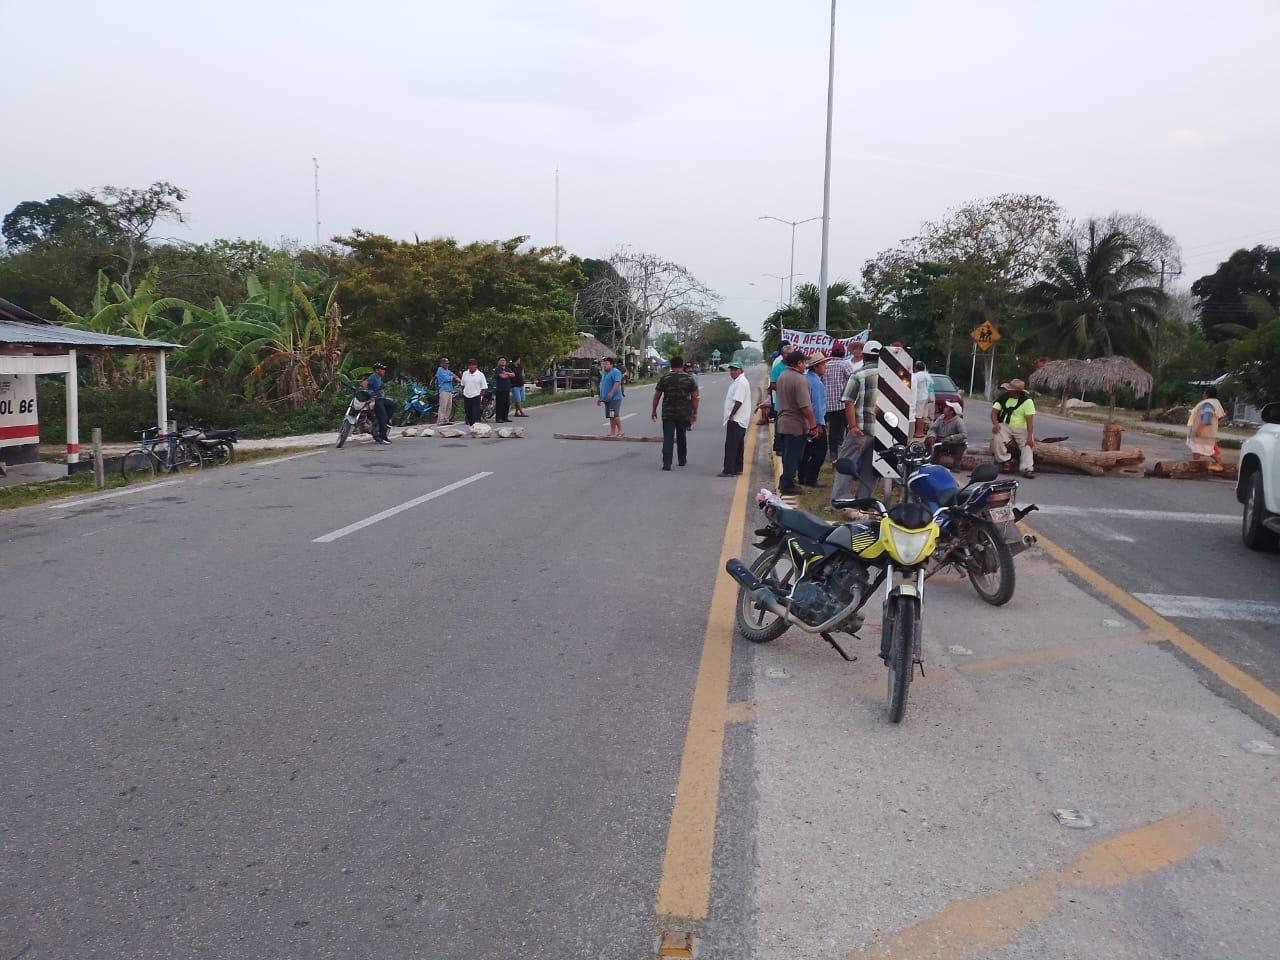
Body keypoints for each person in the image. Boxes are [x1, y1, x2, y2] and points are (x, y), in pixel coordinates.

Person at [831, 340, 882, 504]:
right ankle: (864, 501)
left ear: (864, 356)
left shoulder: (858, 375)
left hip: (860, 430)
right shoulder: (890, 378)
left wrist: (852, 426)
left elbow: (848, 401)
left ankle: (839, 501)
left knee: (846, 464)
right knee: (870, 469)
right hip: (881, 432)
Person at [775, 350, 817, 495]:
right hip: (796, 424)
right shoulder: (799, 380)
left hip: (784, 422)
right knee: (794, 456)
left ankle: (786, 481)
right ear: (799, 363)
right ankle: (788, 484)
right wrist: (813, 425)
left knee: (788, 455)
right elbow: (805, 407)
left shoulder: (783, 376)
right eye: (804, 362)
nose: (805, 365)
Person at [651, 356, 699, 471]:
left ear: (671, 366)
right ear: (682, 365)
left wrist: (653, 410)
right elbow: (695, 397)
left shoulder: (665, 378)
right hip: (683, 413)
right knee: (682, 436)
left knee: (668, 437)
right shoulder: (689, 378)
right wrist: (694, 412)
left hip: (668, 413)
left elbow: (657, 396)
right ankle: (682, 460)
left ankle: (667, 464)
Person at [991, 378, 1036, 478]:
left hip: (1021, 428)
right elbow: (994, 412)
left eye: (1010, 390)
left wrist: (1029, 436)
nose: (1008, 391)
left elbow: (1030, 421)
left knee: (1027, 444)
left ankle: (1027, 468)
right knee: (997, 435)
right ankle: (1004, 461)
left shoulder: (1027, 402)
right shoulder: (1003, 397)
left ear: (1017, 392)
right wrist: (995, 424)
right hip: (1005, 425)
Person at [821, 342, 854, 463]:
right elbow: (853, 380)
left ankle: (834, 455)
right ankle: (843, 455)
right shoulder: (845, 364)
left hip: (828, 405)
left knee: (833, 431)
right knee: (847, 430)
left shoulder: (826, 365)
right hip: (843, 405)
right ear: (843, 353)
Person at [800, 354, 829, 486]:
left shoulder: (806, 379)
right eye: (823, 364)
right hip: (815, 422)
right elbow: (816, 406)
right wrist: (818, 425)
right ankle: (811, 479)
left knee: (806, 452)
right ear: (816, 366)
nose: (825, 367)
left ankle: (802, 477)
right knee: (820, 453)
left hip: (804, 422)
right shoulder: (816, 383)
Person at [719, 360, 752, 477]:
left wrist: (732, 415)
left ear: (741, 371)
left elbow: (738, 401)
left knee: (731, 446)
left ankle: (729, 470)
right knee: (738, 445)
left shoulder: (741, 382)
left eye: (735, 370)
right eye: (731, 370)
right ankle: (737, 468)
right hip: (739, 419)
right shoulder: (738, 381)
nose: (732, 372)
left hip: (737, 419)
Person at [1186, 385, 1226, 464]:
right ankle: (1195, 465)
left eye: (1204, 393)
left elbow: (1206, 420)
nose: (1203, 394)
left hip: (1203, 432)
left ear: (1207, 394)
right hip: (1206, 432)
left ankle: (1222, 466)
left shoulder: (1208, 404)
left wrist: (1198, 430)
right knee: (1198, 449)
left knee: (1208, 450)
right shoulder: (1214, 403)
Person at [926, 400, 968, 470]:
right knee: (929, 441)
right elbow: (933, 429)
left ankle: (956, 466)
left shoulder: (958, 421)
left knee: (961, 446)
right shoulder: (941, 418)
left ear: (951, 412)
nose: (944, 408)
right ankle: (930, 461)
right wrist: (932, 436)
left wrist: (951, 437)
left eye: (947, 407)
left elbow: (964, 434)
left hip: (953, 443)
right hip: (940, 440)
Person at [768, 342, 794, 454]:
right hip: (781, 402)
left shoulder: (794, 366)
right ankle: (779, 446)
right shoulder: (778, 367)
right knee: (780, 425)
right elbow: (772, 384)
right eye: (787, 354)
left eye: (791, 354)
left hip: (793, 403)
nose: (789, 356)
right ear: (783, 355)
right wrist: (784, 389)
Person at [361, 361, 394, 444]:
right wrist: (368, 392)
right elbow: (364, 383)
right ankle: (382, 436)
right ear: (377, 370)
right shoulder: (373, 377)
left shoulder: (379, 378)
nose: (384, 371)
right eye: (382, 369)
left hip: (380, 399)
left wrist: (382, 394)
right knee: (382, 415)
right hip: (375, 400)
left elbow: (381, 390)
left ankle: (386, 421)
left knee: (393, 404)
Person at [597, 357, 624, 437]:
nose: (604, 366)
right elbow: (603, 386)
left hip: (615, 398)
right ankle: (613, 432)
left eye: (606, 364)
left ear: (611, 365)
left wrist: (611, 393)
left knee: (615, 415)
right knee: (611, 416)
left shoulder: (616, 372)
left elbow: (617, 383)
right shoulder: (605, 373)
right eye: (604, 364)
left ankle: (621, 430)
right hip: (607, 399)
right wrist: (600, 398)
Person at [460, 358, 488, 426]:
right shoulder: (465, 373)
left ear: (476, 366)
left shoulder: (480, 374)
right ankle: (471, 425)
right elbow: (462, 385)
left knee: (475, 412)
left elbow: (484, 387)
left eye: (473, 365)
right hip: (467, 395)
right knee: (468, 412)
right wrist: (463, 392)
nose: (471, 367)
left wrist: (481, 396)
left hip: (476, 395)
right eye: (469, 365)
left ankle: (475, 425)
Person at [911, 360, 934, 437]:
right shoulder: (927, 375)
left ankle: (918, 432)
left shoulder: (916, 376)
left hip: (919, 397)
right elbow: (931, 384)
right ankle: (921, 431)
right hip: (927, 397)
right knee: (923, 416)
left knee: (918, 416)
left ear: (915, 368)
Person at [434, 357, 460, 425]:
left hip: (449, 390)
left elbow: (453, 375)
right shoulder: (440, 370)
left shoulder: (448, 371)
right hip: (443, 390)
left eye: (448, 363)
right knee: (443, 406)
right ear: (442, 364)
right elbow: (446, 378)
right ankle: (440, 420)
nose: (447, 365)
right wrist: (454, 377)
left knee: (449, 406)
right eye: (446, 363)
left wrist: (459, 379)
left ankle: (446, 420)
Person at [492, 357, 515, 422]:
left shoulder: (507, 368)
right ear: (498, 362)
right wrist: (508, 375)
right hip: (500, 389)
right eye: (501, 360)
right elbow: (502, 376)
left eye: (504, 360)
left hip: (507, 389)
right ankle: (499, 418)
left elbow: (513, 375)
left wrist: (507, 373)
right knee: (500, 404)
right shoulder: (497, 369)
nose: (503, 361)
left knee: (506, 404)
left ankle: (505, 417)